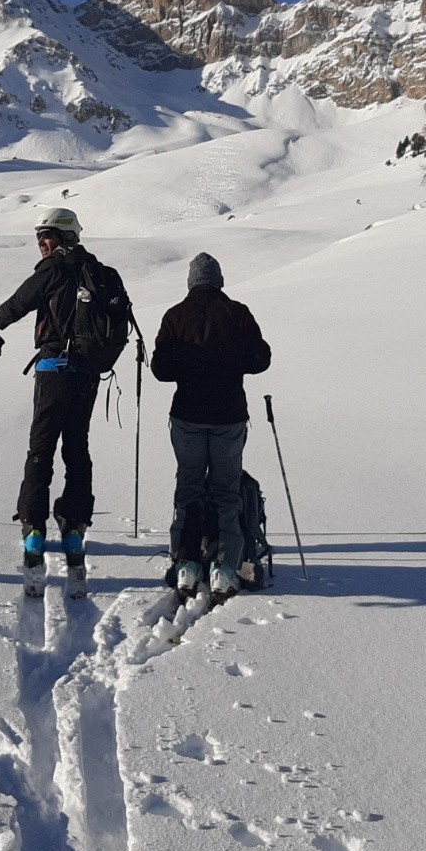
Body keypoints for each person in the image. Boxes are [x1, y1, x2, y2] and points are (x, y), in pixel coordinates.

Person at [0, 207, 120, 594]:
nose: (43, 243)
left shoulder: (54, 270)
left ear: (67, 236)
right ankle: (74, 531)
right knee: (77, 447)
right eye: (40, 236)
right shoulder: (102, 273)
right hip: (88, 374)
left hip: (54, 369)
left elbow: (18, 303)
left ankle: (34, 534)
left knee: (41, 450)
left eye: (49, 236)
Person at [151, 252, 270, 601]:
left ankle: (186, 563)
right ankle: (225, 568)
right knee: (226, 491)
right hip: (229, 415)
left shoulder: (175, 316)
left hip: (187, 414)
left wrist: (191, 362)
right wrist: (229, 359)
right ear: (219, 280)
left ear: (191, 282)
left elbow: (161, 369)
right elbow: (260, 359)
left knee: (188, 488)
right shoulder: (238, 313)